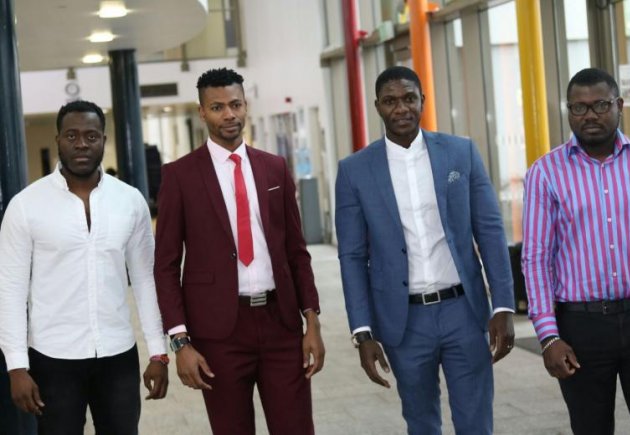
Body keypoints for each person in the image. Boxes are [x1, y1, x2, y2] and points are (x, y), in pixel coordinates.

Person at [335, 65, 515, 434]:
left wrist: (503, 305)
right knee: (420, 422)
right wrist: (362, 331)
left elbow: (490, 230)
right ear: (377, 106)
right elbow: (352, 256)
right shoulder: (354, 170)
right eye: (390, 101)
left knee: (476, 422)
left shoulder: (461, 153)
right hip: (403, 321)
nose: (401, 108)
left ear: (423, 100)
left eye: (409, 98)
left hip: (463, 310)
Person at [154, 68, 325, 435]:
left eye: (235, 104)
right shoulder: (179, 176)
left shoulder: (274, 168)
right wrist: (180, 341)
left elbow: (297, 252)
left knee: (296, 428)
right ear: (202, 112)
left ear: (246, 106)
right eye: (217, 107)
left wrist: (311, 320)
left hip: (280, 324)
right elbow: (165, 265)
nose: (229, 114)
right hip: (218, 334)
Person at [0, 100, 169, 434]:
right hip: (53, 357)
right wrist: (16, 366)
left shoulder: (129, 201)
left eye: (91, 136)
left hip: (117, 353)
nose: (81, 144)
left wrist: (158, 352)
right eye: (72, 135)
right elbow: (11, 289)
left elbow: (146, 280)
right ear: (58, 139)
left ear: (104, 140)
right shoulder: (26, 206)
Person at [522, 67, 630, 435]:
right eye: (579, 108)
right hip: (581, 329)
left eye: (600, 105)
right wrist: (548, 336)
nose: (590, 115)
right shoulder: (545, 173)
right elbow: (536, 259)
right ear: (568, 111)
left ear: (619, 105)